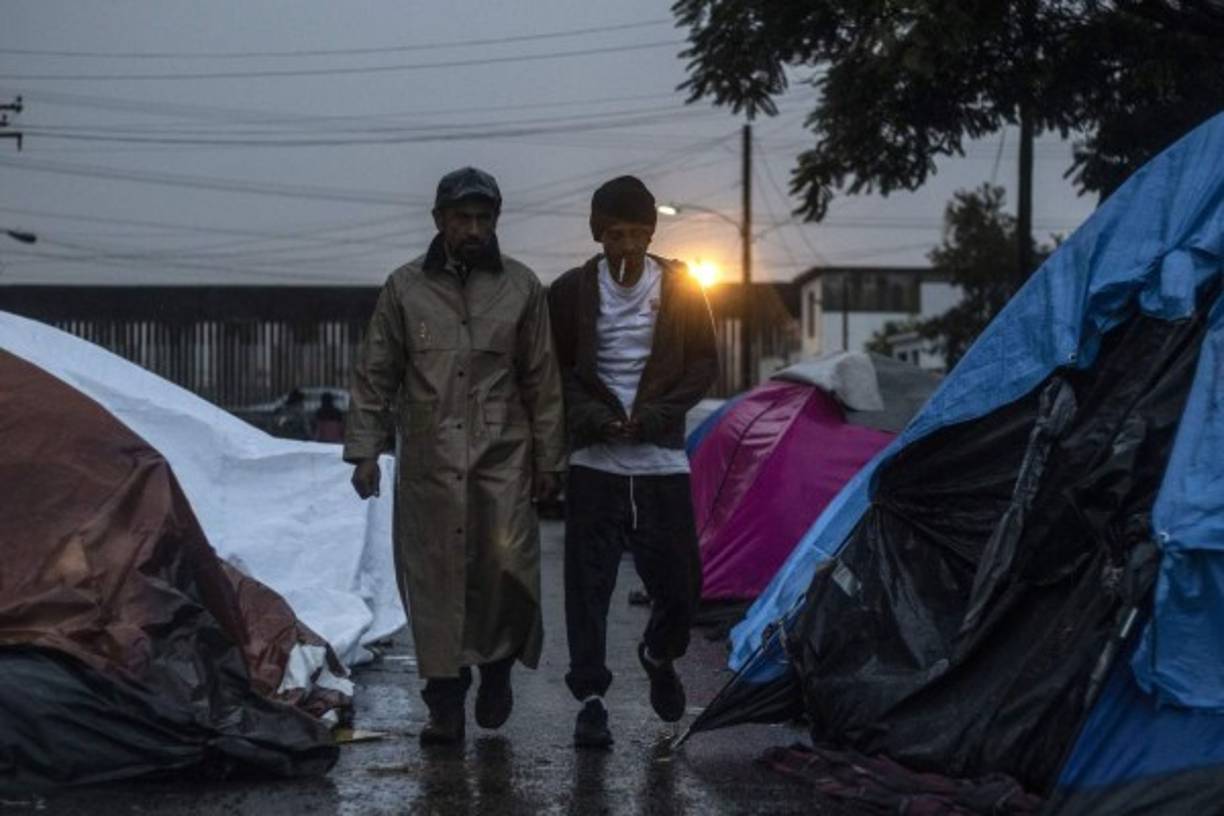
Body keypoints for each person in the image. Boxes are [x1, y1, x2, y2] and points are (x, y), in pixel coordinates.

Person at [344, 167, 566, 746]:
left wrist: (550, 461)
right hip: (430, 461)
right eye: (462, 218)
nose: (473, 228)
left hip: (504, 459)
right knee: (435, 583)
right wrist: (365, 450)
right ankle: (444, 702)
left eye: (483, 218)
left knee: (505, 573)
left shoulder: (522, 288)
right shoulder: (404, 289)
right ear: (439, 220)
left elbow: (542, 380)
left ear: (495, 221)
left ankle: (496, 673)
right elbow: (376, 375)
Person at [547, 175, 718, 748]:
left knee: (681, 585)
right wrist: (592, 418)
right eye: (615, 235)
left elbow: (701, 366)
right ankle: (591, 699)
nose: (627, 247)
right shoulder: (570, 291)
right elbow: (558, 372)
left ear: (652, 234)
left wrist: (658, 413)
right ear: (597, 234)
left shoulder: (683, 288)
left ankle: (658, 653)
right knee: (587, 585)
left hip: (661, 458)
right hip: (595, 461)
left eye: (638, 235)